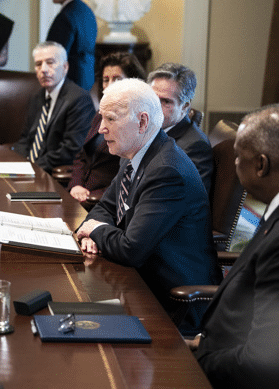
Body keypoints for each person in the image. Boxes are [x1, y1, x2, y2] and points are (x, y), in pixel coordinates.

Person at [76, 78, 219, 333]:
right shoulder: (133, 153)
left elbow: (131, 249)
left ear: (142, 122)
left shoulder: (167, 170)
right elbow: (105, 208)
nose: (101, 129)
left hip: (173, 301)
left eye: (110, 119)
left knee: (79, 325)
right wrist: (92, 230)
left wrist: (95, 230)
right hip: (139, 281)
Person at [190, 104, 279, 388]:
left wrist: (198, 361)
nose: (235, 164)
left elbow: (261, 360)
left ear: (261, 165)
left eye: (238, 157)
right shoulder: (271, 211)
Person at [68, 52, 146, 207]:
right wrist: (76, 185)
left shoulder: (137, 123)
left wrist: (93, 196)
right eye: (106, 80)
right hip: (79, 193)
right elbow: (81, 156)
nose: (110, 85)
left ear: (133, 82)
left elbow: (130, 176)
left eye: (117, 79)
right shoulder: (101, 114)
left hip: (103, 201)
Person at [13, 41, 96, 172]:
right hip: (30, 169)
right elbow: (25, 139)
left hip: (51, 172)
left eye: (50, 62)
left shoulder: (79, 99)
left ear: (65, 67)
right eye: (38, 64)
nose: (43, 69)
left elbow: (71, 149)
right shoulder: (37, 97)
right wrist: (17, 163)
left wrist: (33, 168)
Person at [147, 63, 214, 194]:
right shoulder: (147, 129)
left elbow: (186, 200)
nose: (155, 107)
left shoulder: (195, 146)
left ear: (185, 106)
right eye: (152, 98)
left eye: (166, 101)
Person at [46, 0, 97, 91]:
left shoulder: (65, 17)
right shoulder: (88, 12)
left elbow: (54, 57)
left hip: (68, 85)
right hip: (87, 82)